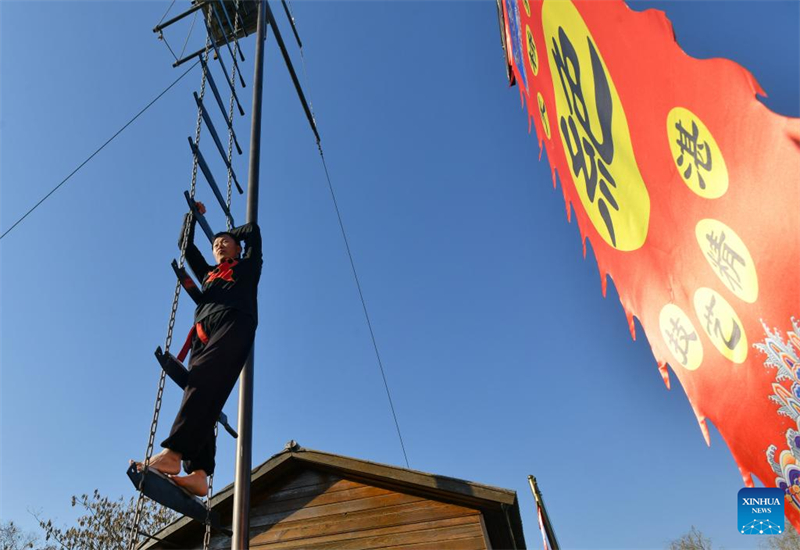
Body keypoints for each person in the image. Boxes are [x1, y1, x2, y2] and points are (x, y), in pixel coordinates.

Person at [133, 203, 262, 497]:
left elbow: (253, 231)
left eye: (225, 241)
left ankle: (174, 453)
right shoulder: (208, 274)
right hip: (203, 335)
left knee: (203, 379)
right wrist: (191, 217)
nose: (219, 244)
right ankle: (199, 472)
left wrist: (229, 231)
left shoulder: (248, 266)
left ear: (238, 248)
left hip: (235, 322)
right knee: (202, 392)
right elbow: (186, 246)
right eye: (215, 243)